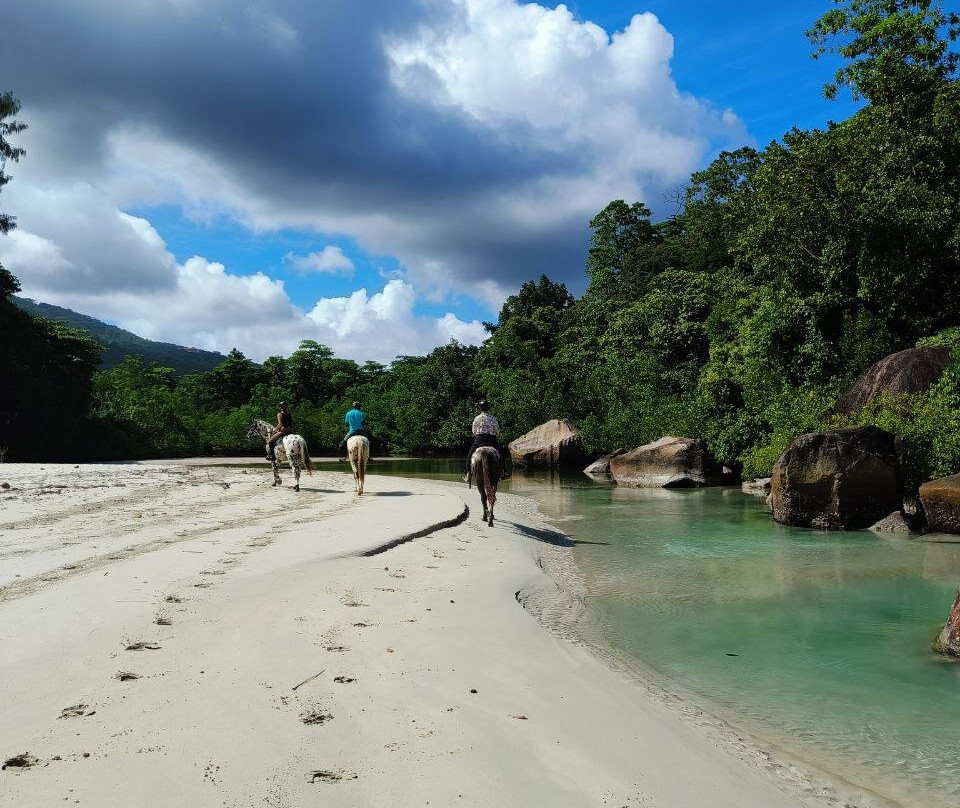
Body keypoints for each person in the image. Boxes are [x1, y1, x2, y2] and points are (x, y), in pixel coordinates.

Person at [463, 399, 511, 482]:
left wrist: (479, 435)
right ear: (488, 408)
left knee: (470, 455)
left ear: (480, 408)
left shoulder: (476, 418)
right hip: (491, 440)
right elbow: (497, 431)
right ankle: (503, 472)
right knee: (501, 454)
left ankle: (468, 474)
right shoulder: (493, 418)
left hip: (479, 440)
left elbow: (474, 431)